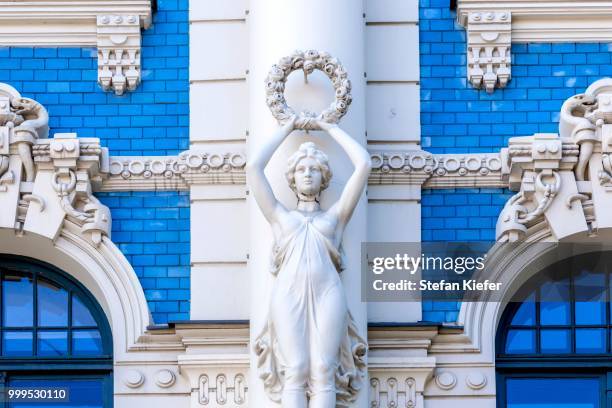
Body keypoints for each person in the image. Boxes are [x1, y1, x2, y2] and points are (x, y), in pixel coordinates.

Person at [247, 116, 370, 407]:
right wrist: (287, 127)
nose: (307, 174)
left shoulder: (335, 219)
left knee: (324, 370)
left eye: (314, 169)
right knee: (296, 368)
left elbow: (363, 164)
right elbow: (253, 168)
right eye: (301, 169)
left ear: (324, 177)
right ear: (292, 177)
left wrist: (330, 127)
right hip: (288, 295)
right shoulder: (281, 218)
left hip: (328, 294)